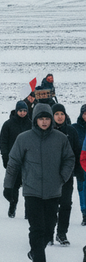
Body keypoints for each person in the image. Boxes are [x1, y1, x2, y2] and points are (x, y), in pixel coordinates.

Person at [3, 104, 74, 262]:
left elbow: (69, 159)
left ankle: (35, 251)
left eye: (47, 118)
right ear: (35, 120)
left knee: (49, 229)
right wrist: (8, 186)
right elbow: (13, 164)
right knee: (36, 228)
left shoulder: (60, 138)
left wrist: (61, 178)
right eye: (41, 118)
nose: (44, 122)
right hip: (32, 190)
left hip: (53, 190)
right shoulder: (23, 138)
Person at [51, 103, 81, 245]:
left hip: (67, 174)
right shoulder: (47, 130)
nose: (60, 117)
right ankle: (49, 232)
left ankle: (62, 233)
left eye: (62, 114)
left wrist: (79, 171)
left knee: (66, 204)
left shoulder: (71, 131)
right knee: (50, 204)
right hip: (50, 175)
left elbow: (77, 152)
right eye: (56, 114)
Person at [0, 101, 31, 217]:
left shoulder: (31, 124)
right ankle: (13, 204)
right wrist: (5, 156)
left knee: (28, 185)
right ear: (16, 111)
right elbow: (3, 141)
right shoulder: (8, 124)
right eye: (20, 110)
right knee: (14, 185)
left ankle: (28, 211)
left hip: (28, 160)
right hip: (14, 159)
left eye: (24, 111)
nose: (22, 113)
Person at [72, 104, 86, 226]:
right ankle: (84, 213)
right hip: (81, 164)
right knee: (82, 189)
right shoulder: (75, 128)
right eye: (85, 113)